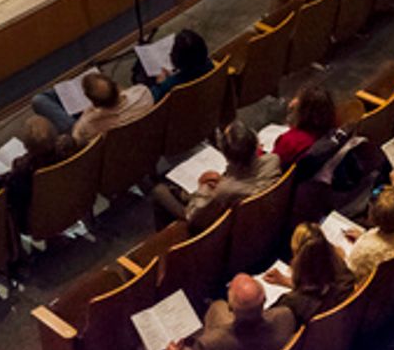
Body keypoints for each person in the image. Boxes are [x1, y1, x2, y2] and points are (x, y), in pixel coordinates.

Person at [151, 121, 282, 233]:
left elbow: (192, 216)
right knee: (177, 192)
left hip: (220, 227)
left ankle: (164, 239)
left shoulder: (223, 191)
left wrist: (203, 187)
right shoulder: (273, 160)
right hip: (262, 219)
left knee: (158, 191)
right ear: (256, 143)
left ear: (225, 155)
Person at [166, 273, 296, 350]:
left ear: (231, 308)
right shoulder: (285, 317)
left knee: (217, 307)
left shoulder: (211, 344)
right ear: (265, 299)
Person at [264, 225, 355, 324]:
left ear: (298, 261)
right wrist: (286, 281)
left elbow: (264, 323)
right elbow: (317, 289)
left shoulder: (291, 304)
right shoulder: (345, 277)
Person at [5, 114, 77, 228]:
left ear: (26, 146)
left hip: (39, 218)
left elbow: (18, 198)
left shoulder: (23, 169)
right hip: (72, 199)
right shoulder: (68, 147)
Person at [346, 186, 394, 281]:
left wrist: (340, 254)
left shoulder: (363, 250)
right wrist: (365, 237)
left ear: (371, 218)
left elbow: (350, 273)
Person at [71, 72, 154, 143]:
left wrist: (88, 111)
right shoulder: (143, 93)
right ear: (116, 86)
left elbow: (76, 137)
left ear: (95, 103)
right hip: (147, 144)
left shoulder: (89, 124)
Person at [272, 85, 338, 168]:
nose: (291, 102)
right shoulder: (329, 131)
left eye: (293, 110)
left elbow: (271, 166)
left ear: (302, 112)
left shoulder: (289, 141)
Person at [141, 29, 215, 102]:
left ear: (176, 59)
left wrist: (160, 82)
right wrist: (173, 76)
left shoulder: (169, 86)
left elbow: (152, 99)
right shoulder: (210, 66)